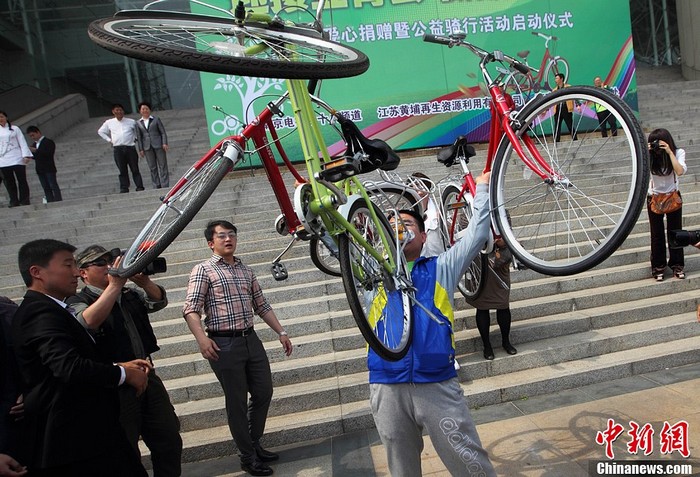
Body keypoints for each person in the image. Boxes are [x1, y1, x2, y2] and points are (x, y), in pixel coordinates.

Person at [368, 173, 496, 477]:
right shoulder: (370, 276)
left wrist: (483, 189)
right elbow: (338, 243)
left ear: (424, 237)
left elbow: (477, 236)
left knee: (468, 460)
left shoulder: (441, 268)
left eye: (408, 224)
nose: (399, 227)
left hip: (436, 383)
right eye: (392, 224)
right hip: (387, 385)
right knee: (401, 468)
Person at [11, 239, 151, 477]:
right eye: (68, 265)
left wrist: (117, 365)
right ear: (37, 272)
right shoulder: (40, 312)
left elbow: (62, 363)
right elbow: (68, 367)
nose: (76, 272)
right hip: (75, 440)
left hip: (90, 435)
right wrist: (123, 374)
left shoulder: (52, 309)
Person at [183, 220, 293, 477]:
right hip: (223, 344)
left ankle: (253, 444)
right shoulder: (203, 270)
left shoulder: (245, 269)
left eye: (231, 234)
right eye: (221, 236)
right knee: (236, 402)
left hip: (250, 339)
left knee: (264, 391)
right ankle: (247, 457)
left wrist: (281, 332)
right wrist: (202, 339)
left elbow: (261, 305)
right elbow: (190, 309)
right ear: (211, 243)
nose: (228, 239)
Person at [67, 245, 182, 477]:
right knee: (124, 446)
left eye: (110, 262)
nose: (109, 267)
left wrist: (144, 282)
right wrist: (114, 286)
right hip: (114, 383)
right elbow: (87, 322)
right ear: (83, 273)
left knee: (168, 438)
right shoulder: (77, 300)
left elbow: (157, 301)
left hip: (148, 375)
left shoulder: (128, 293)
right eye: (100, 263)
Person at [466, 238, 517, 360]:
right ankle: (487, 345)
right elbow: (463, 228)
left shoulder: (501, 217)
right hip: (478, 256)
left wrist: (502, 241)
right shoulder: (467, 217)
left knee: (503, 305)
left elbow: (508, 228)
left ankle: (506, 341)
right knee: (482, 307)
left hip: (499, 258)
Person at [647, 128, 687, 281]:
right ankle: (658, 268)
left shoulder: (678, 153)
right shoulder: (650, 156)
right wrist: (647, 153)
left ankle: (677, 265)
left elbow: (680, 171)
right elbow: (642, 173)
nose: (657, 147)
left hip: (673, 197)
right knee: (656, 235)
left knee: (675, 232)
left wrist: (670, 152)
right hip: (654, 197)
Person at [98, 104, 145, 193]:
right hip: (118, 149)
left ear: (123, 111)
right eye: (117, 110)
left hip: (130, 148)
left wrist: (134, 139)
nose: (119, 112)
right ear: (113, 112)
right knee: (122, 169)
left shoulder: (131, 121)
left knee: (135, 168)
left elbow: (137, 132)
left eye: (120, 110)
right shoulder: (109, 122)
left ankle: (139, 186)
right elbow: (100, 131)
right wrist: (109, 140)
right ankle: (124, 187)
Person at [0, 111, 32, 207]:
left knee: (22, 180)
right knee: (9, 182)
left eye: (1, 116)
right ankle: (14, 200)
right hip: (3, 161)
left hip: (17, 158)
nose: (0, 119)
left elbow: (22, 142)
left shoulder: (15, 129)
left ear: (6, 117)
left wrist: (25, 155)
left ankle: (25, 200)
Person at [136, 101, 170, 189]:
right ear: (140, 111)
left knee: (162, 165)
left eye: (146, 108)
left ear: (150, 110)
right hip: (147, 147)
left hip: (158, 144)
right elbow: (139, 137)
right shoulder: (138, 123)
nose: (145, 110)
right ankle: (156, 184)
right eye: (143, 109)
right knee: (152, 167)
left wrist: (164, 143)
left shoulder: (156, 119)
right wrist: (140, 149)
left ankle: (165, 184)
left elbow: (163, 132)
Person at [26, 126, 62, 203]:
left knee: (53, 185)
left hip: (49, 167)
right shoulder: (34, 144)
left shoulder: (48, 142)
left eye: (33, 135)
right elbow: (35, 156)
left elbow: (49, 154)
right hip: (40, 169)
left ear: (38, 132)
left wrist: (36, 151)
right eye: (30, 136)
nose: (33, 137)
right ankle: (50, 200)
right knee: (45, 187)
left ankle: (58, 199)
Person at [552, 73, 577, 142]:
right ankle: (556, 141)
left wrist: (578, 105)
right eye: (555, 79)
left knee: (570, 125)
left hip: (566, 108)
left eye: (557, 78)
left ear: (561, 79)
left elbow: (574, 96)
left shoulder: (568, 87)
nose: (555, 80)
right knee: (557, 126)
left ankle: (575, 139)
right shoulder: (554, 90)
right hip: (557, 109)